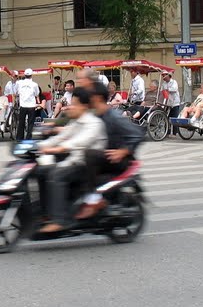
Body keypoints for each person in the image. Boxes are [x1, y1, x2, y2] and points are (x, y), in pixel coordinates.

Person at [37, 87, 107, 234]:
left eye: (74, 103)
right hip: (73, 161)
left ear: (84, 106)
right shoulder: (76, 122)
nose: (70, 107)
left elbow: (78, 142)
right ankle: (47, 213)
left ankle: (60, 220)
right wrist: (38, 146)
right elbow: (60, 137)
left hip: (86, 167)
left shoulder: (93, 123)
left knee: (56, 175)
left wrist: (58, 149)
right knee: (41, 171)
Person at [80, 79, 146, 218]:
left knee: (90, 155)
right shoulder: (95, 115)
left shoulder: (114, 116)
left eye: (90, 95)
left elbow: (138, 134)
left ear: (97, 98)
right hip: (106, 156)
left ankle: (93, 200)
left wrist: (123, 151)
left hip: (120, 159)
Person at [14, 69, 40, 141]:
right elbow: (36, 94)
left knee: (21, 122)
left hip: (23, 105)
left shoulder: (19, 83)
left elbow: (16, 91)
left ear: (24, 75)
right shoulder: (34, 84)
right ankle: (28, 138)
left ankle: (19, 138)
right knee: (30, 123)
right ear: (31, 75)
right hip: (31, 105)